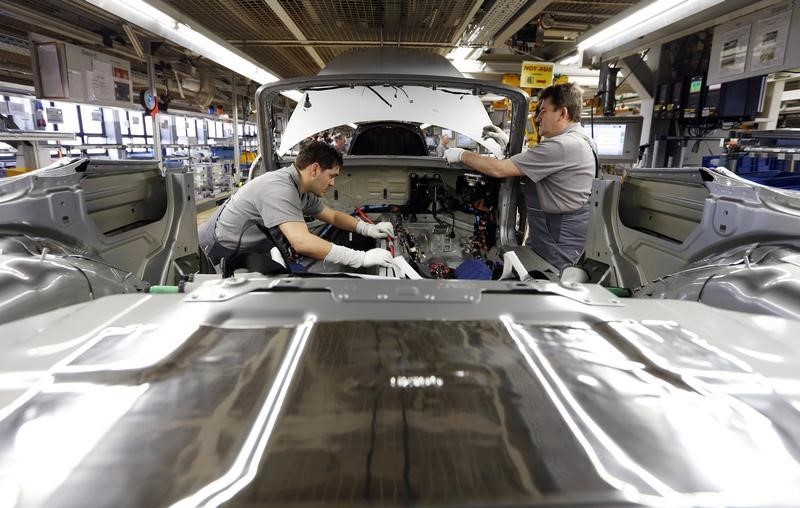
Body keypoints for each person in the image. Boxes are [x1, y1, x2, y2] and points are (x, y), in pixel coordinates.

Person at [444, 83, 597, 269]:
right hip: (556, 238)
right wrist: (510, 145)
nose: (538, 118)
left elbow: (498, 170)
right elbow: (544, 164)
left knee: (546, 291)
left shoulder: (563, 146)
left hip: (558, 247)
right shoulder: (582, 140)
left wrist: (461, 154)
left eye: (543, 111)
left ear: (563, 113)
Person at [200, 141, 394, 275]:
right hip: (217, 251)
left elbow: (333, 216)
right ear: (315, 169)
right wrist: (360, 258)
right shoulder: (279, 187)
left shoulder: (300, 188)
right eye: (332, 175)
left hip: (249, 248)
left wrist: (366, 228)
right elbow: (303, 243)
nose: (333, 183)